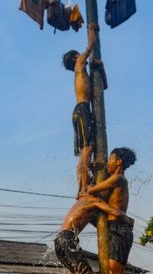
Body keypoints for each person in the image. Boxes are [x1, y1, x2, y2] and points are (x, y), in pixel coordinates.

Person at [83, 148, 137, 274]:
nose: (108, 162)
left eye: (111, 159)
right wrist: (94, 169)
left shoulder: (118, 179)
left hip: (119, 229)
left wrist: (93, 170)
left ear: (119, 162)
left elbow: (91, 190)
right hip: (113, 227)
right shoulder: (116, 179)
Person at [62, 23, 99, 194]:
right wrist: (92, 30)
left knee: (86, 149)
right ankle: (83, 187)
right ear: (76, 57)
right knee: (87, 149)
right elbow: (91, 46)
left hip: (80, 110)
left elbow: (103, 86)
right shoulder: (79, 64)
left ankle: (82, 187)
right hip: (82, 109)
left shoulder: (81, 73)